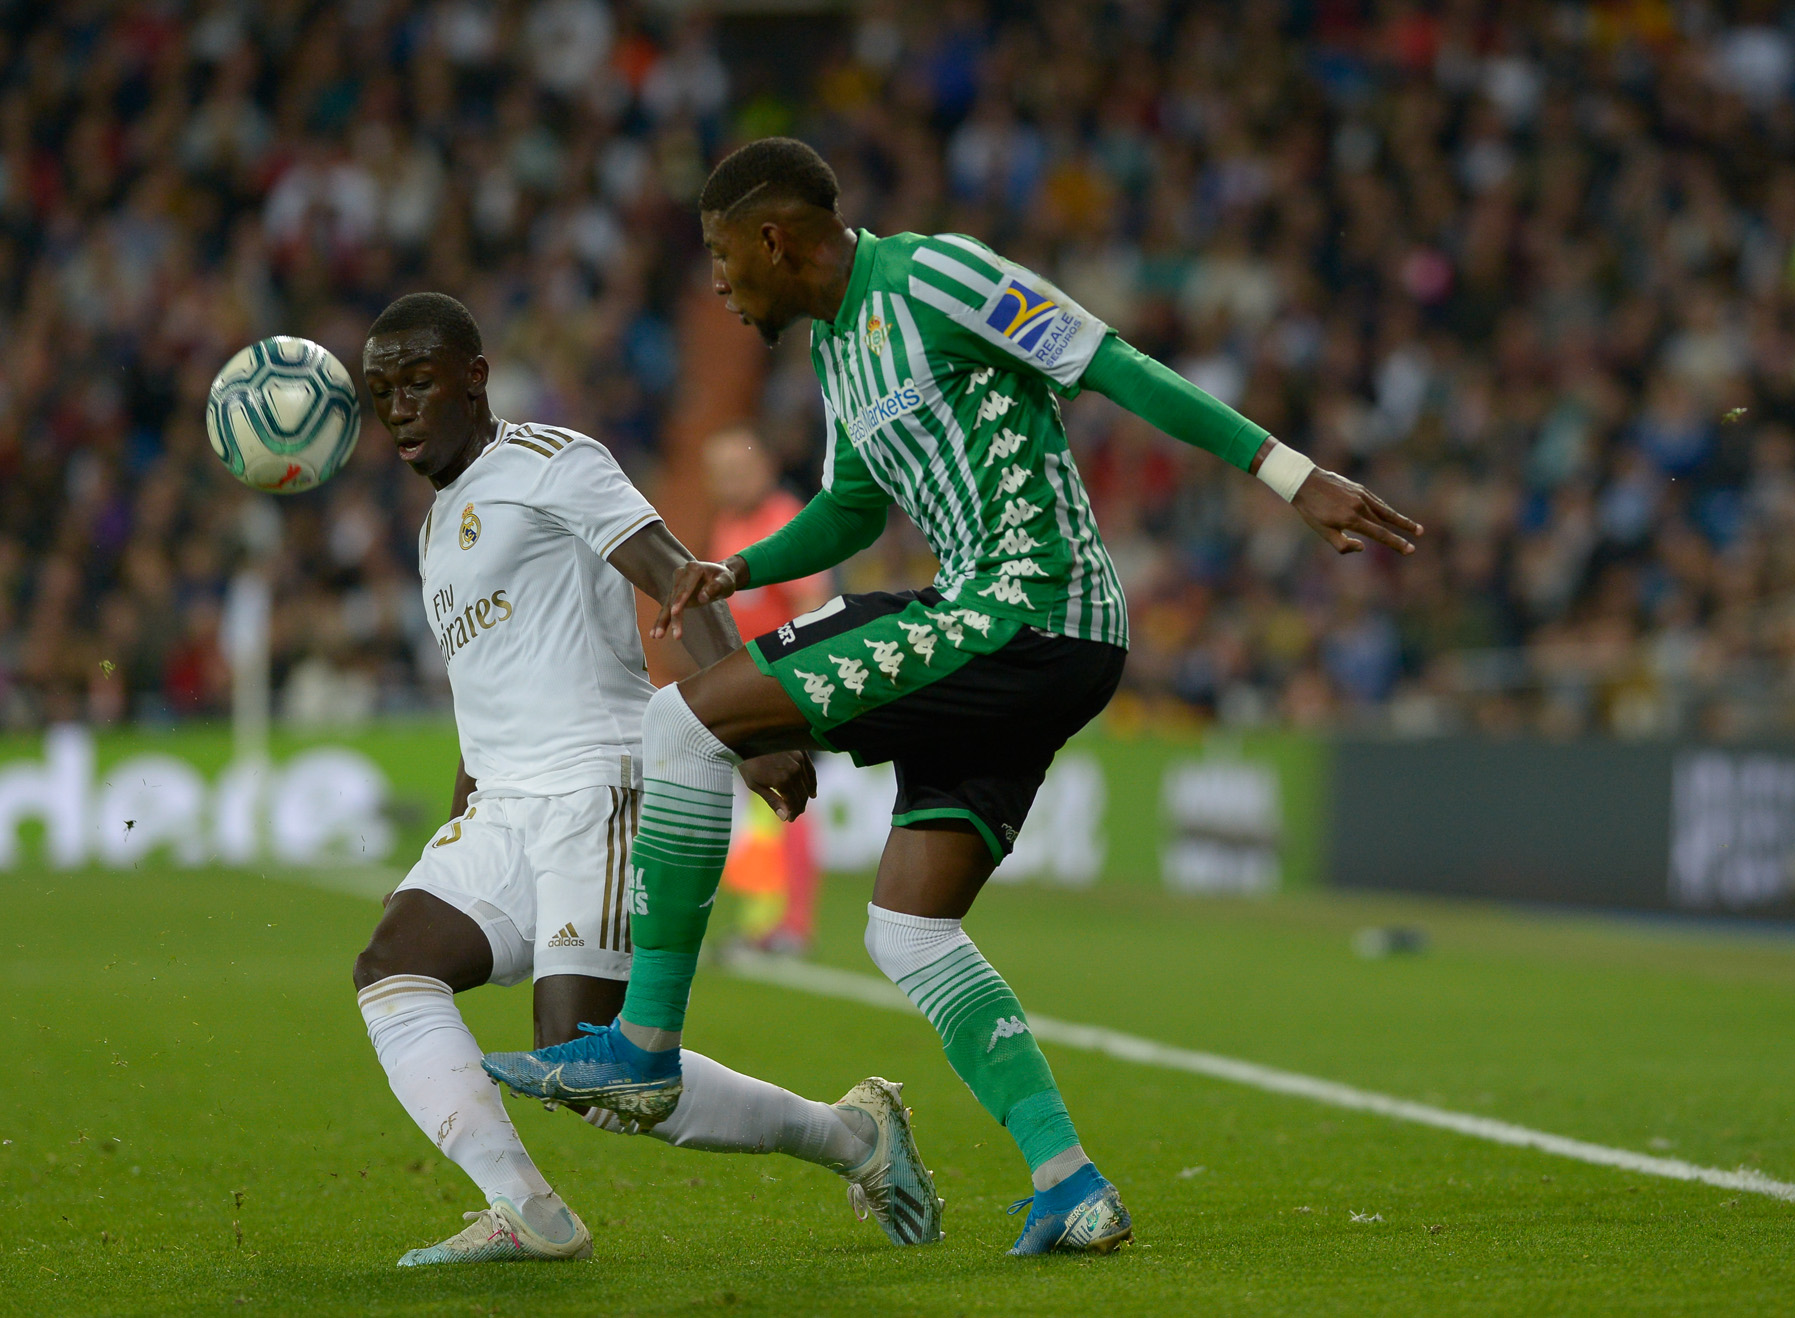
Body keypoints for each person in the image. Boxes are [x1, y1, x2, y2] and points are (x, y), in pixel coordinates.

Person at [484, 139, 1420, 1256]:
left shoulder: (937, 275)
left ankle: (644, 1047)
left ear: (773, 239)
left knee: (680, 720)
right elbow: (852, 510)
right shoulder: (838, 351)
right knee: (908, 928)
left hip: (1024, 608)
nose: (720, 285)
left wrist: (1290, 473)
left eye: (724, 258)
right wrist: (743, 567)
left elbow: (1111, 361)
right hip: (1020, 647)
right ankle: (1070, 1183)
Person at [352, 291, 943, 1267]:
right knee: (392, 966)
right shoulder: (434, 528)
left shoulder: (553, 462)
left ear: (476, 378)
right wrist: (457, 828)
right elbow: (486, 691)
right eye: (383, 393)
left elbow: (678, 575)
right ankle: (525, 1210)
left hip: (598, 785)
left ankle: (854, 1136)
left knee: (594, 1061)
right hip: (502, 806)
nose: (401, 408)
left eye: (419, 381)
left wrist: (750, 726)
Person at [703, 424, 831, 955]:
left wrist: (800, 682)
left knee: (786, 801)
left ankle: (791, 925)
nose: (731, 482)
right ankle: (763, 925)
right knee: (760, 812)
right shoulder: (727, 526)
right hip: (746, 692)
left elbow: (812, 603)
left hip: (786, 689)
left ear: (765, 468)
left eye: (740, 469)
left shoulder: (784, 520)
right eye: (721, 473)